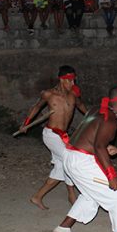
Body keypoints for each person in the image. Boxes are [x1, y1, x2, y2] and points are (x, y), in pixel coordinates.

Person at [52, 87, 117, 232]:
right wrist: (111, 175)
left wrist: (105, 146)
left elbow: (90, 136)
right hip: (82, 160)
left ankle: (64, 227)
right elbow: (98, 146)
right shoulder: (110, 120)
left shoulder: (97, 110)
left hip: (70, 155)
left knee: (90, 194)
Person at [19, 66, 87, 211]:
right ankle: (71, 195)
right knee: (69, 160)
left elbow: (82, 107)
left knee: (62, 166)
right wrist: (26, 124)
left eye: (74, 80)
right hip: (51, 135)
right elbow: (36, 107)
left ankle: (38, 197)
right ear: (61, 79)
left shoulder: (73, 95)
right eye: (69, 80)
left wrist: (93, 118)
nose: (72, 83)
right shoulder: (49, 94)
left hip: (63, 136)